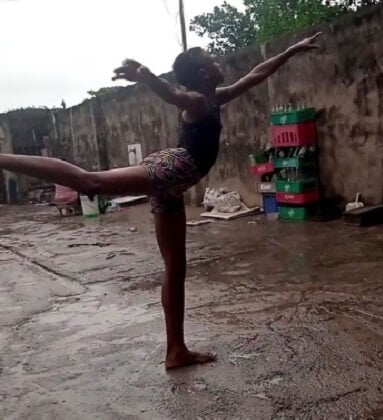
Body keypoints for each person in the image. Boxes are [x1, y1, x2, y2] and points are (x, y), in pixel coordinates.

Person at [0, 32, 322, 369]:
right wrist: (146, 76)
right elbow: (173, 95)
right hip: (173, 170)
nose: (218, 63)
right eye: (212, 60)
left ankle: (176, 351)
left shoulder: (217, 97)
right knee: (89, 182)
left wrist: (291, 49)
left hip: (174, 183)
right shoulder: (198, 101)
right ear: (203, 74)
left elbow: (257, 74)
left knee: (176, 266)